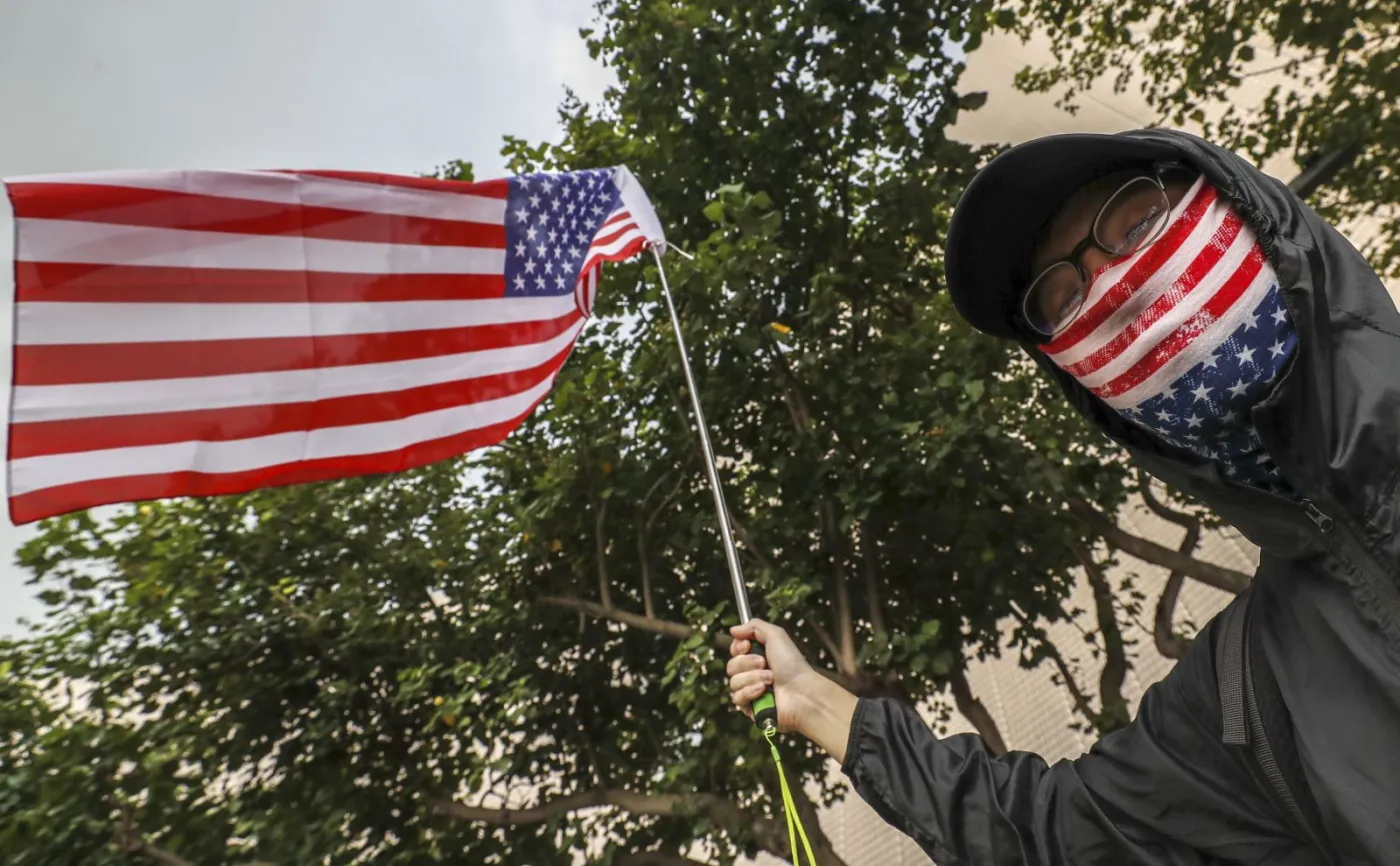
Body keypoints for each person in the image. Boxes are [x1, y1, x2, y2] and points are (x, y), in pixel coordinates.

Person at [726, 129, 1400, 865]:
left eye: (1137, 222)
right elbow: (1051, 831)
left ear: (1244, 209)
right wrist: (821, 704)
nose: (1111, 288)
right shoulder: (1247, 696)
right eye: (1063, 295)